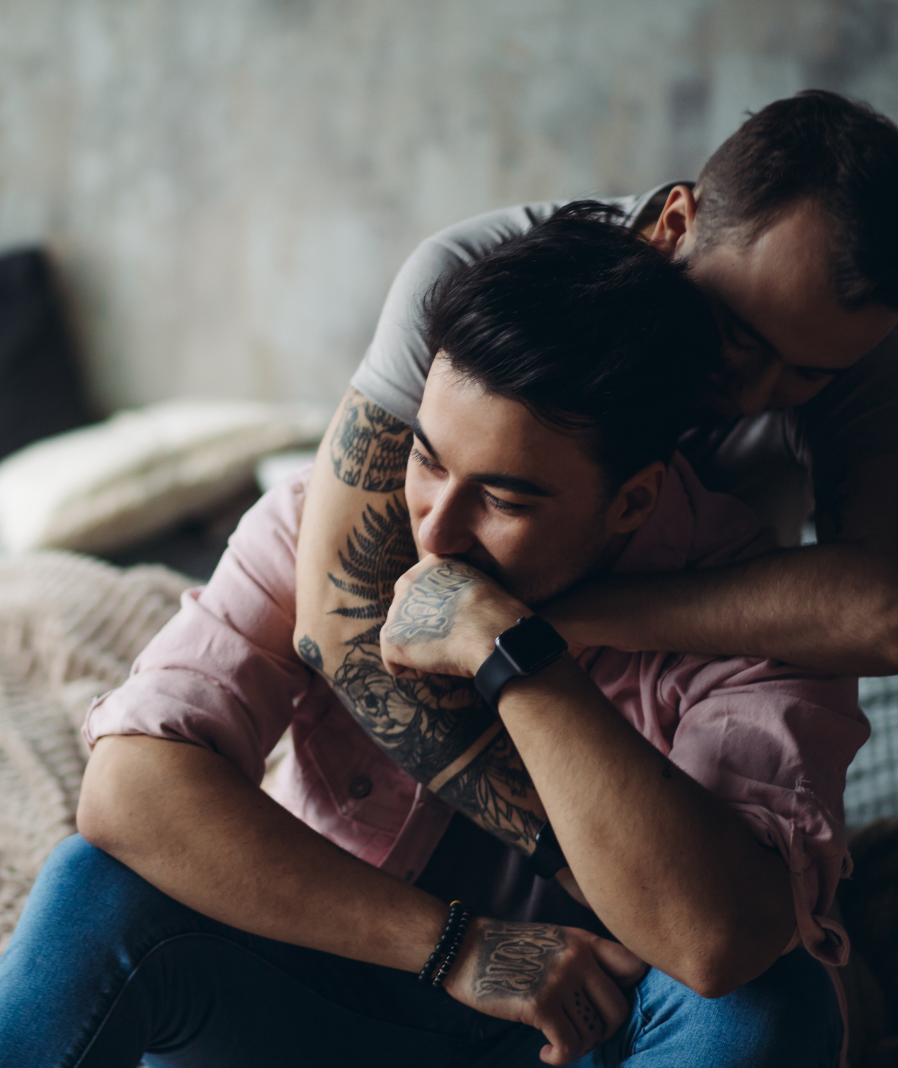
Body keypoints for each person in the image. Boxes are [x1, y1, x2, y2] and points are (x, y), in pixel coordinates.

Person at [0, 210, 865, 1068]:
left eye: (503, 498)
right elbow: (128, 791)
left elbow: (712, 940)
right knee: (94, 887)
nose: (436, 532)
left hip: (592, 1041)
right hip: (344, 996)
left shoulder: (756, 613)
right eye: (429, 459)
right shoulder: (336, 525)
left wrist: (513, 652)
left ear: (633, 501)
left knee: (769, 1004)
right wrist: (456, 947)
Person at [294, 90, 898, 692]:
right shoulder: (466, 271)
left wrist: (542, 625)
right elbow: (336, 621)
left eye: (807, 375)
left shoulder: (855, 339)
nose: (752, 400)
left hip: (697, 696)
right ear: (675, 225)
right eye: (737, 337)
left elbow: (887, 615)